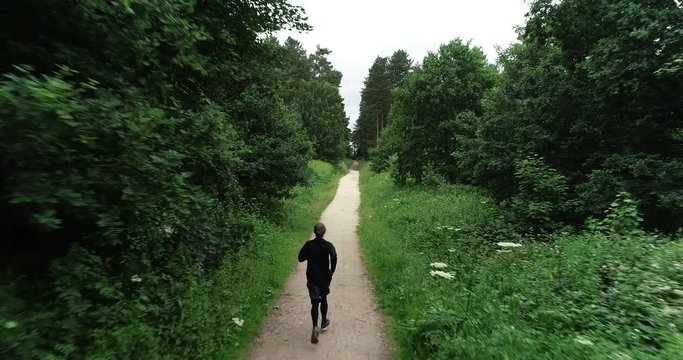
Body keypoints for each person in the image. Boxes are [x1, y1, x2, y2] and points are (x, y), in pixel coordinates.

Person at [298, 222, 337, 344]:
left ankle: (315, 326)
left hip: (312, 278)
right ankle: (324, 321)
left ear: (314, 232)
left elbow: (300, 258)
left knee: (315, 302)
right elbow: (334, 257)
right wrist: (332, 271)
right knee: (324, 299)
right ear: (324, 231)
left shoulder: (309, 245)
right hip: (324, 278)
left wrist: (309, 256)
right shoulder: (328, 245)